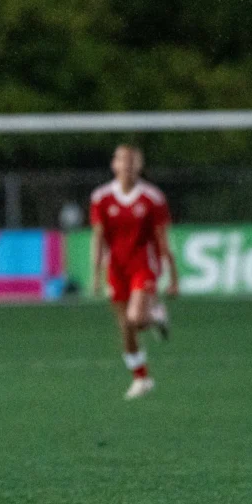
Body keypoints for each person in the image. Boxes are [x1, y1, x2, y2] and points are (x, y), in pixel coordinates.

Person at [90, 145, 179, 400]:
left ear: (139, 166)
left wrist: (173, 275)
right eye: (122, 160)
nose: (127, 165)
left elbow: (162, 238)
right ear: (114, 165)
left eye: (132, 161)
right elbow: (98, 237)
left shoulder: (152, 197)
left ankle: (155, 312)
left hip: (143, 264)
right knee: (125, 328)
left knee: (136, 319)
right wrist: (96, 274)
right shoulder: (101, 197)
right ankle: (141, 378)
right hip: (116, 268)